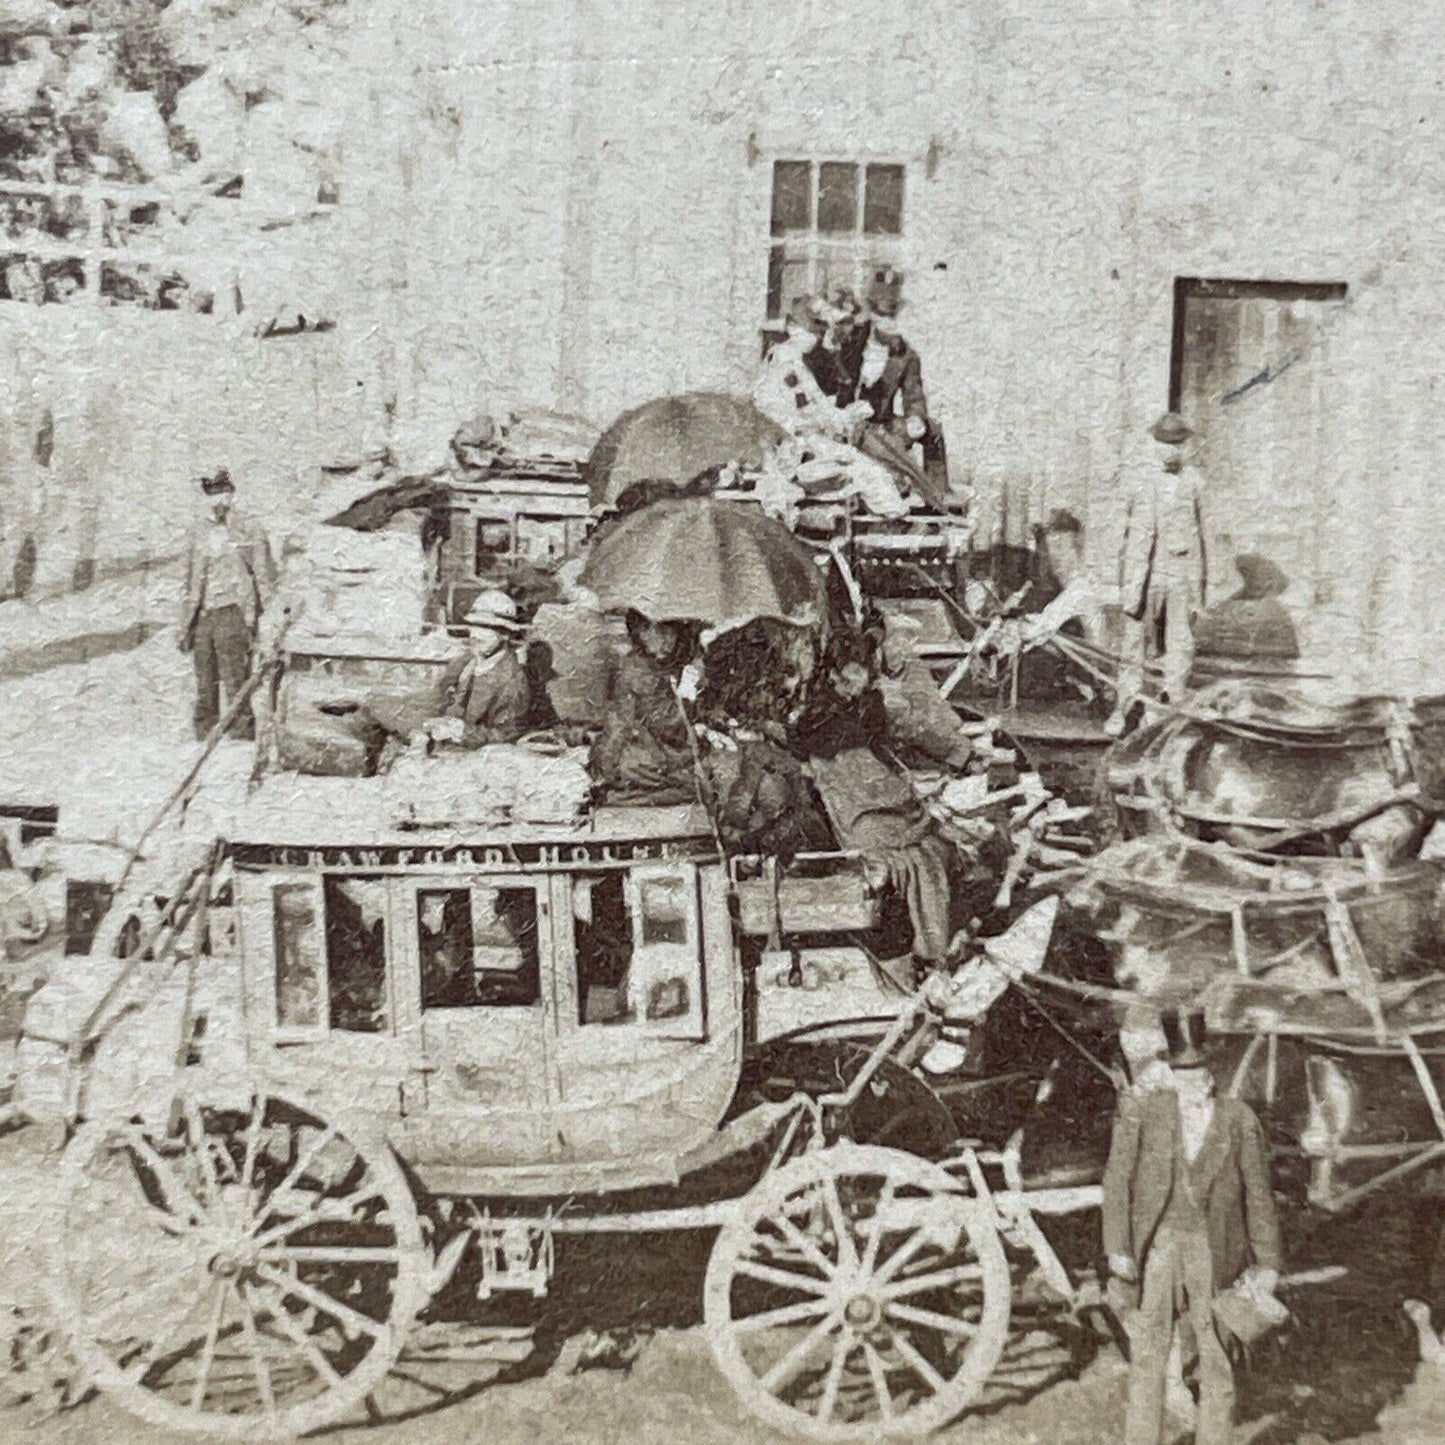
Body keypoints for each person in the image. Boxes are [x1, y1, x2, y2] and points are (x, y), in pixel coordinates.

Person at [1103, 1009, 1282, 1445]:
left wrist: (1268, 1263)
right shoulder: (1143, 1113)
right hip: (1159, 1249)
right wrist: (1119, 1249)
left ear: (1210, 1074)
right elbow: (1117, 1179)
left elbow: (1259, 1197)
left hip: (1215, 1249)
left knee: (1216, 1353)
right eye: (1179, 1072)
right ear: (1168, 1073)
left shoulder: (1239, 1120)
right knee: (1148, 1350)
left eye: (1196, 1071)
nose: (1188, 1081)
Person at [1117, 412, 1208, 728]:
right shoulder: (1137, 479)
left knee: (1180, 643)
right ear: (1154, 445)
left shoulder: (1195, 481)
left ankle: (1173, 709)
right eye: (1165, 444)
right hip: (1144, 575)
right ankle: (1126, 708)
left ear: (1185, 446)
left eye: (1177, 445)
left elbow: (1204, 536)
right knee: (1134, 643)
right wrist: (1122, 580)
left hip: (1179, 574)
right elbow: (1119, 530)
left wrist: (1200, 593)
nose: (1171, 451)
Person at [178, 468, 276, 740]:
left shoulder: (248, 528)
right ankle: (205, 735)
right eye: (212, 494)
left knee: (235, 680)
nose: (219, 501)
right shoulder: (197, 531)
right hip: (203, 617)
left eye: (223, 493)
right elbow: (188, 582)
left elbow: (264, 575)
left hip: (232, 612)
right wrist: (184, 624)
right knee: (204, 681)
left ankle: (241, 736)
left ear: (232, 494)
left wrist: (267, 618)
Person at [590, 611, 701, 804]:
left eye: (667, 632)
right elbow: (619, 724)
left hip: (692, 757)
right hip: (656, 755)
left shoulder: (699, 664)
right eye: (642, 629)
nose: (645, 636)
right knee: (620, 760)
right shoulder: (633, 668)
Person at [856, 267, 949, 492]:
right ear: (869, 313)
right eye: (880, 316)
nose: (886, 322)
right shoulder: (851, 343)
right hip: (848, 423)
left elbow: (913, 394)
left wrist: (916, 418)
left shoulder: (905, 355)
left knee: (932, 430)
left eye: (891, 315)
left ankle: (936, 494)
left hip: (883, 424)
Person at [425, 590, 531, 749]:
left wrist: (462, 732)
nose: (475, 635)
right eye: (473, 626)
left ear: (505, 635)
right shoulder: (466, 664)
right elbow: (443, 702)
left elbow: (507, 736)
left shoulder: (513, 680)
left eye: (485, 628)